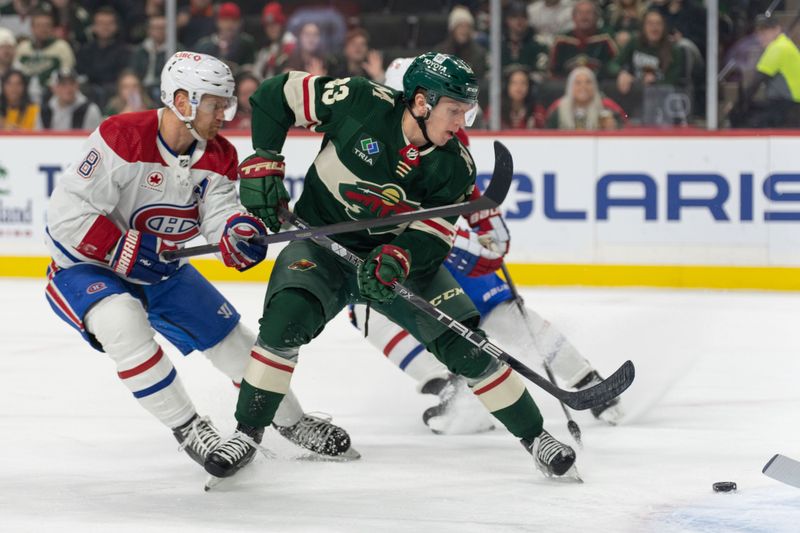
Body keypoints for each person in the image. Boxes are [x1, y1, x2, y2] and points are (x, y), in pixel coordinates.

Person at [204, 52, 580, 482]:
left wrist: (401, 257)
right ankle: (247, 435)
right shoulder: (359, 101)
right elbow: (275, 95)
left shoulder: (455, 165)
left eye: (466, 111)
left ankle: (537, 438)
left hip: (395, 263)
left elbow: (434, 237)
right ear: (421, 102)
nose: (461, 123)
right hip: (320, 245)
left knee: (467, 347)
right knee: (284, 321)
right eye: (455, 110)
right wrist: (264, 158)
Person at [44, 51, 356, 472]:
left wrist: (235, 232)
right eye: (215, 103)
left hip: (160, 268)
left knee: (238, 344)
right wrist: (121, 247)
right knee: (122, 321)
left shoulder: (221, 154)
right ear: (182, 100)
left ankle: (292, 422)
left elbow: (218, 212)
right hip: (86, 267)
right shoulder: (121, 136)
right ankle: (189, 428)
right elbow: (66, 214)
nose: (224, 114)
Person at [345, 59, 621, 435]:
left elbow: (469, 199)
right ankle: (452, 389)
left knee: (501, 310)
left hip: (437, 251)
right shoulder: (373, 141)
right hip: (402, 254)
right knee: (365, 307)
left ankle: (588, 382)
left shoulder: (447, 139)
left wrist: (486, 230)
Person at [732, 15, 800, 128]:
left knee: (747, 121)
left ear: (777, 29)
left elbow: (755, 83)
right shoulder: (786, 44)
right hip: (787, 104)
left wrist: (736, 107)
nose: (761, 37)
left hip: (789, 107)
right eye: (759, 33)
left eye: (765, 32)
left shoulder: (778, 48)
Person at [546, 66, 626, 129]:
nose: (583, 87)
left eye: (588, 82)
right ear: (570, 87)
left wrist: (614, 127)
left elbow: (624, 121)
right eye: (578, 83)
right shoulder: (559, 109)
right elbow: (547, 133)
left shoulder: (605, 106)